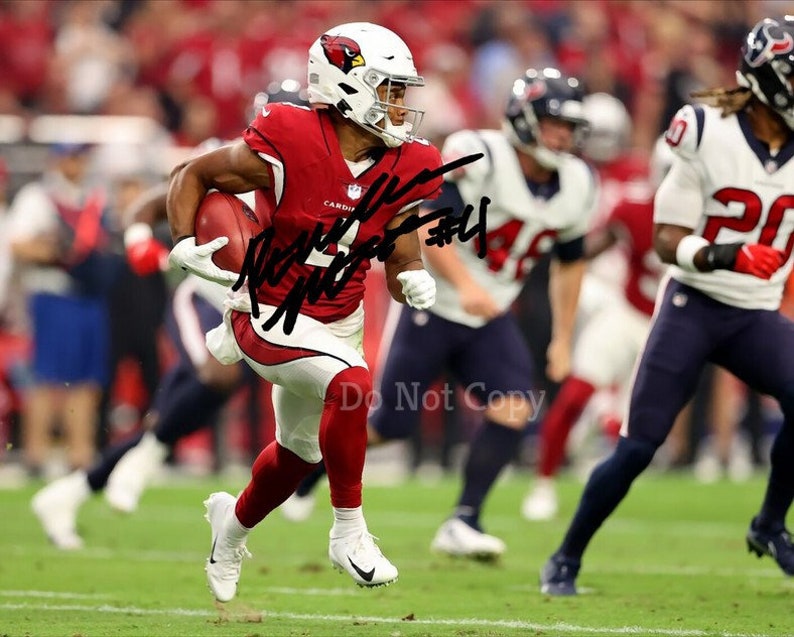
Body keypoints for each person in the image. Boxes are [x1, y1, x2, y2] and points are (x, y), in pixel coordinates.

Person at [166, 22, 454, 600]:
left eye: (404, 91)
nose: (402, 105)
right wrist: (181, 240)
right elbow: (193, 175)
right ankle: (349, 531)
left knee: (298, 452)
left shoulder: (407, 162)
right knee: (350, 384)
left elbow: (400, 258)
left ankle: (232, 528)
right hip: (268, 309)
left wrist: (413, 279)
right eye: (390, 89)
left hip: (338, 320)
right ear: (347, 85)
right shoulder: (291, 134)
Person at [285, 67, 596, 558]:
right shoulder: (481, 153)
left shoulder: (578, 182)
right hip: (433, 303)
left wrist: (562, 336)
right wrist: (467, 285)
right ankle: (305, 468)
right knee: (389, 427)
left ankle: (463, 519)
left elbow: (570, 263)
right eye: (553, 122)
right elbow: (428, 224)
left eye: (568, 126)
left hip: (488, 312)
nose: (562, 135)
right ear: (524, 119)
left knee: (514, 407)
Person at [540, 16, 794, 596]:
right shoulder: (706, 129)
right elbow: (665, 239)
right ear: (769, 79)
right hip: (696, 303)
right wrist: (726, 254)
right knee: (638, 446)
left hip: (756, 311)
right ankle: (565, 556)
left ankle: (770, 523)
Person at [30, 86, 308, 551]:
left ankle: (71, 492)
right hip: (206, 296)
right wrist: (141, 237)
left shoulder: (317, 176)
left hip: (258, 300)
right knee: (217, 380)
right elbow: (151, 204)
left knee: (176, 412)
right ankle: (145, 460)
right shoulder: (230, 159)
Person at [521, 137, 670, 521]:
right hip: (629, 313)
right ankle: (544, 483)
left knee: (638, 426)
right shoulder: (635, 210)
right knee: (574, 395)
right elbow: (589, 248)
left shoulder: (713, 218)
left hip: (671, 324)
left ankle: (602, 461)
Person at [7, 142, 124, 476]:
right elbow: (19, 245)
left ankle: (80, 455)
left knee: (88, 380)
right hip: (54, 294)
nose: (77, 164)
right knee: (47, 377)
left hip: (90, 297)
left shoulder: (96, 198)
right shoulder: (38, 197)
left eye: (81, 157)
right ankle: (36, 453)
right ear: (57, 160)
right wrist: (59, 251)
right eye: (71, 157)